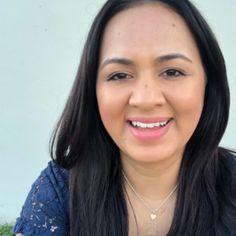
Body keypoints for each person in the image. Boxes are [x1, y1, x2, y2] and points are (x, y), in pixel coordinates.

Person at [13, 0, 236, 235]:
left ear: (208, 82)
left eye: (172, 71)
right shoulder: (59, 191)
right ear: (93, 90)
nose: (145, 99)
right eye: (119, 75)